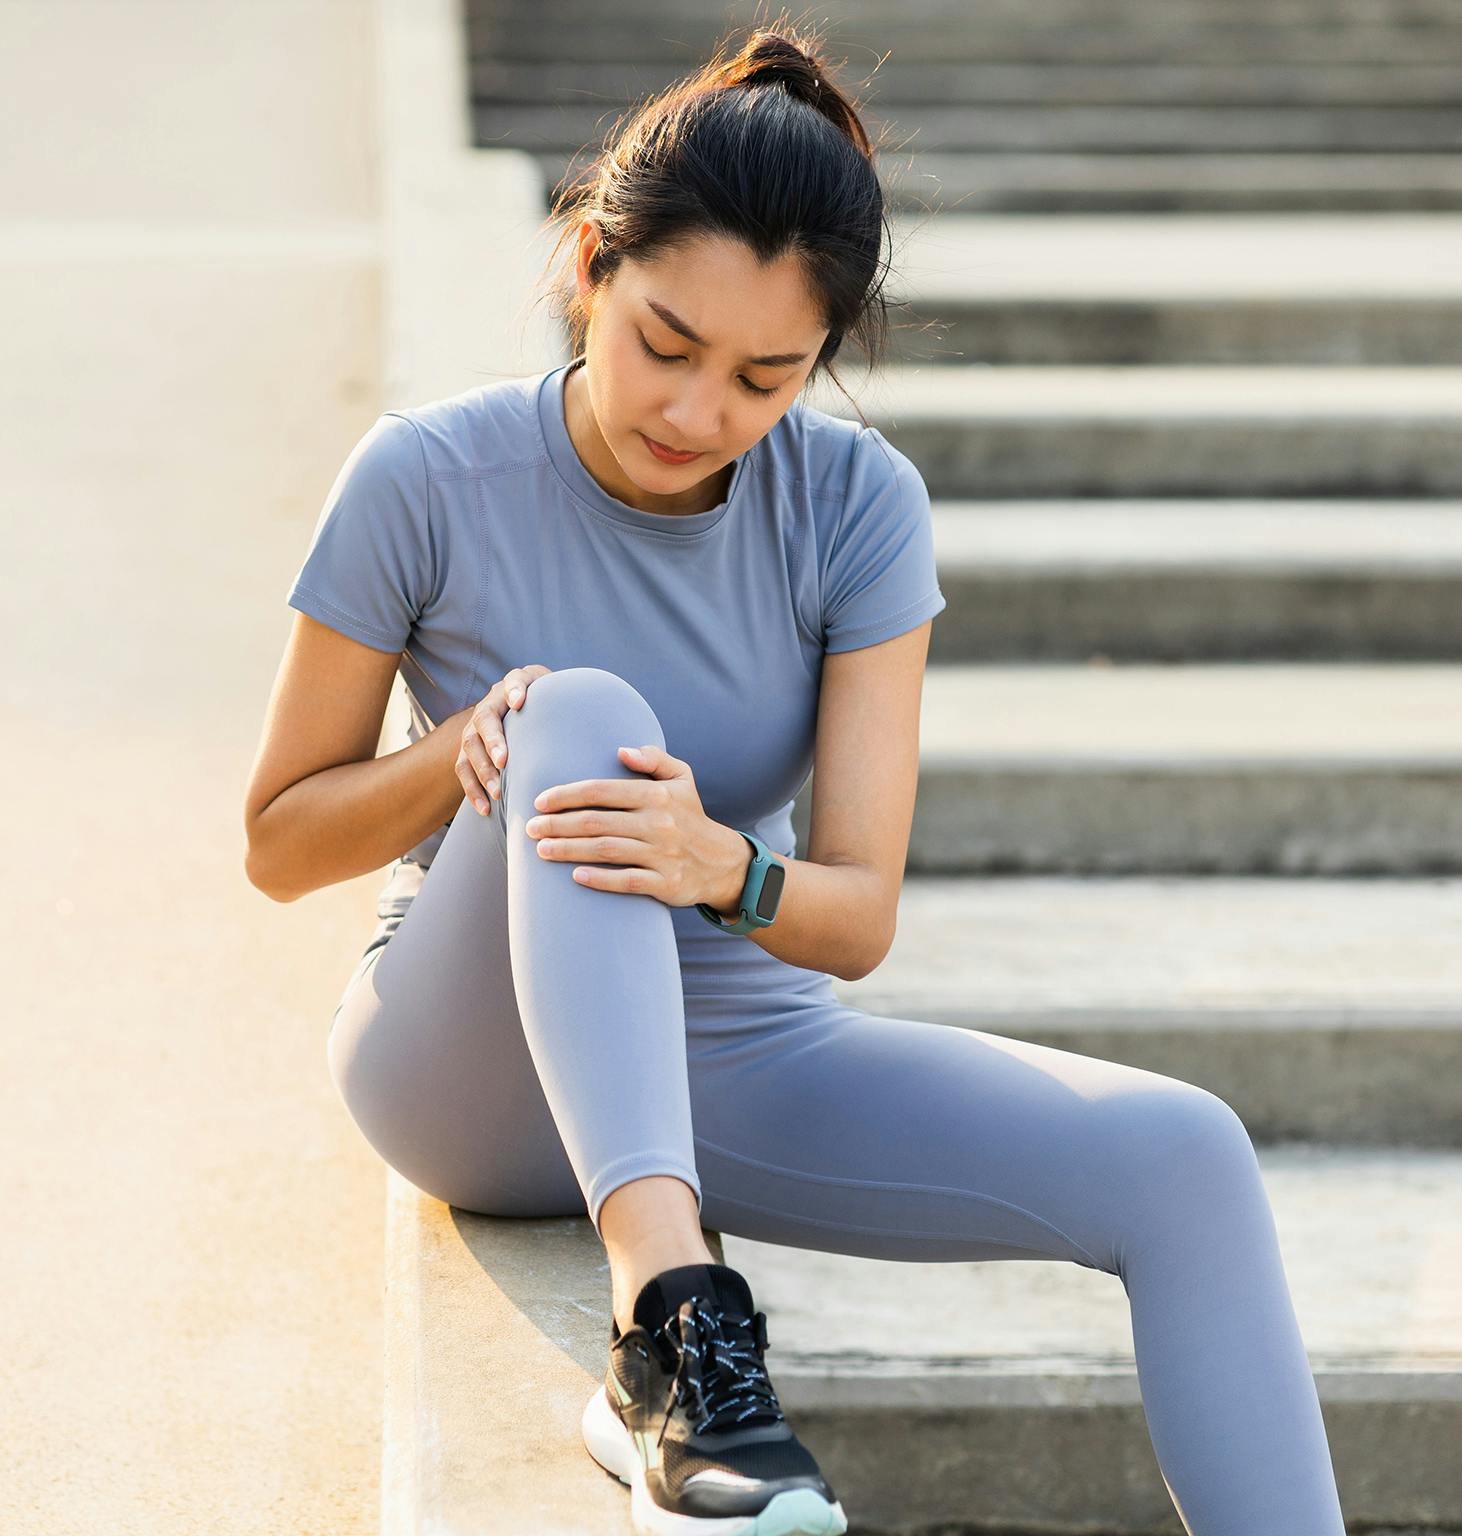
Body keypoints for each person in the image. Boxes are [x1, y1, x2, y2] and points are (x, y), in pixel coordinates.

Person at [243, 16, 1348, 1536]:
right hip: (471, 1057)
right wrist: (462, 749)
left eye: (767, 376)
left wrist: (727, 868)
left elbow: (854, 916)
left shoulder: (856, 507)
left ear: (825, 355)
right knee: (576, 712)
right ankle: (673, 1341)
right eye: (663, 345)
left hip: (735, 1056)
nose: (698, 416)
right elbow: (279, 843)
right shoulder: (428, 476)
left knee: (1186, 1155)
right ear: (588, 268)